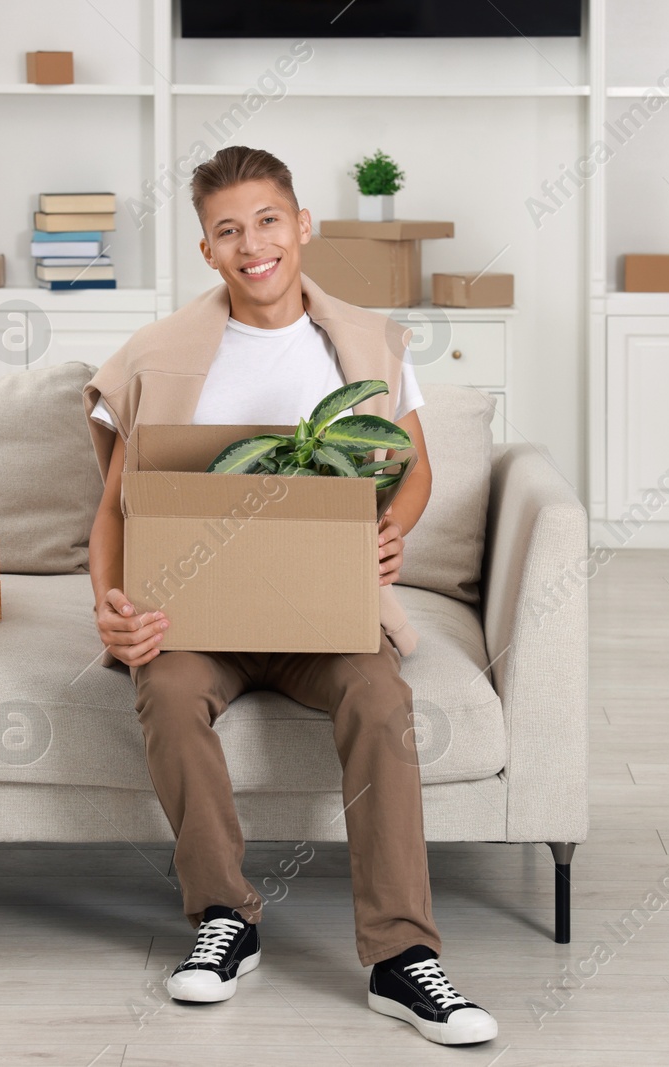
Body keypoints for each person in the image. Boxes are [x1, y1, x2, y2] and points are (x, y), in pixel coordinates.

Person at [81, 145, 496, 1046]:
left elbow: (415, 469)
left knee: (382, 694)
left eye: (268, 220)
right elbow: (116, 505)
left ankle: (401, 955)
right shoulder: (159, 355)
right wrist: (110, 601)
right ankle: (224, 918)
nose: (252, 243)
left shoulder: (367, 341)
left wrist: (396, 528)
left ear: (302, 224)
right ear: (206, 250)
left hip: (323, 611)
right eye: (228, 230)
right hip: (198, 615)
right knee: (164, 686)